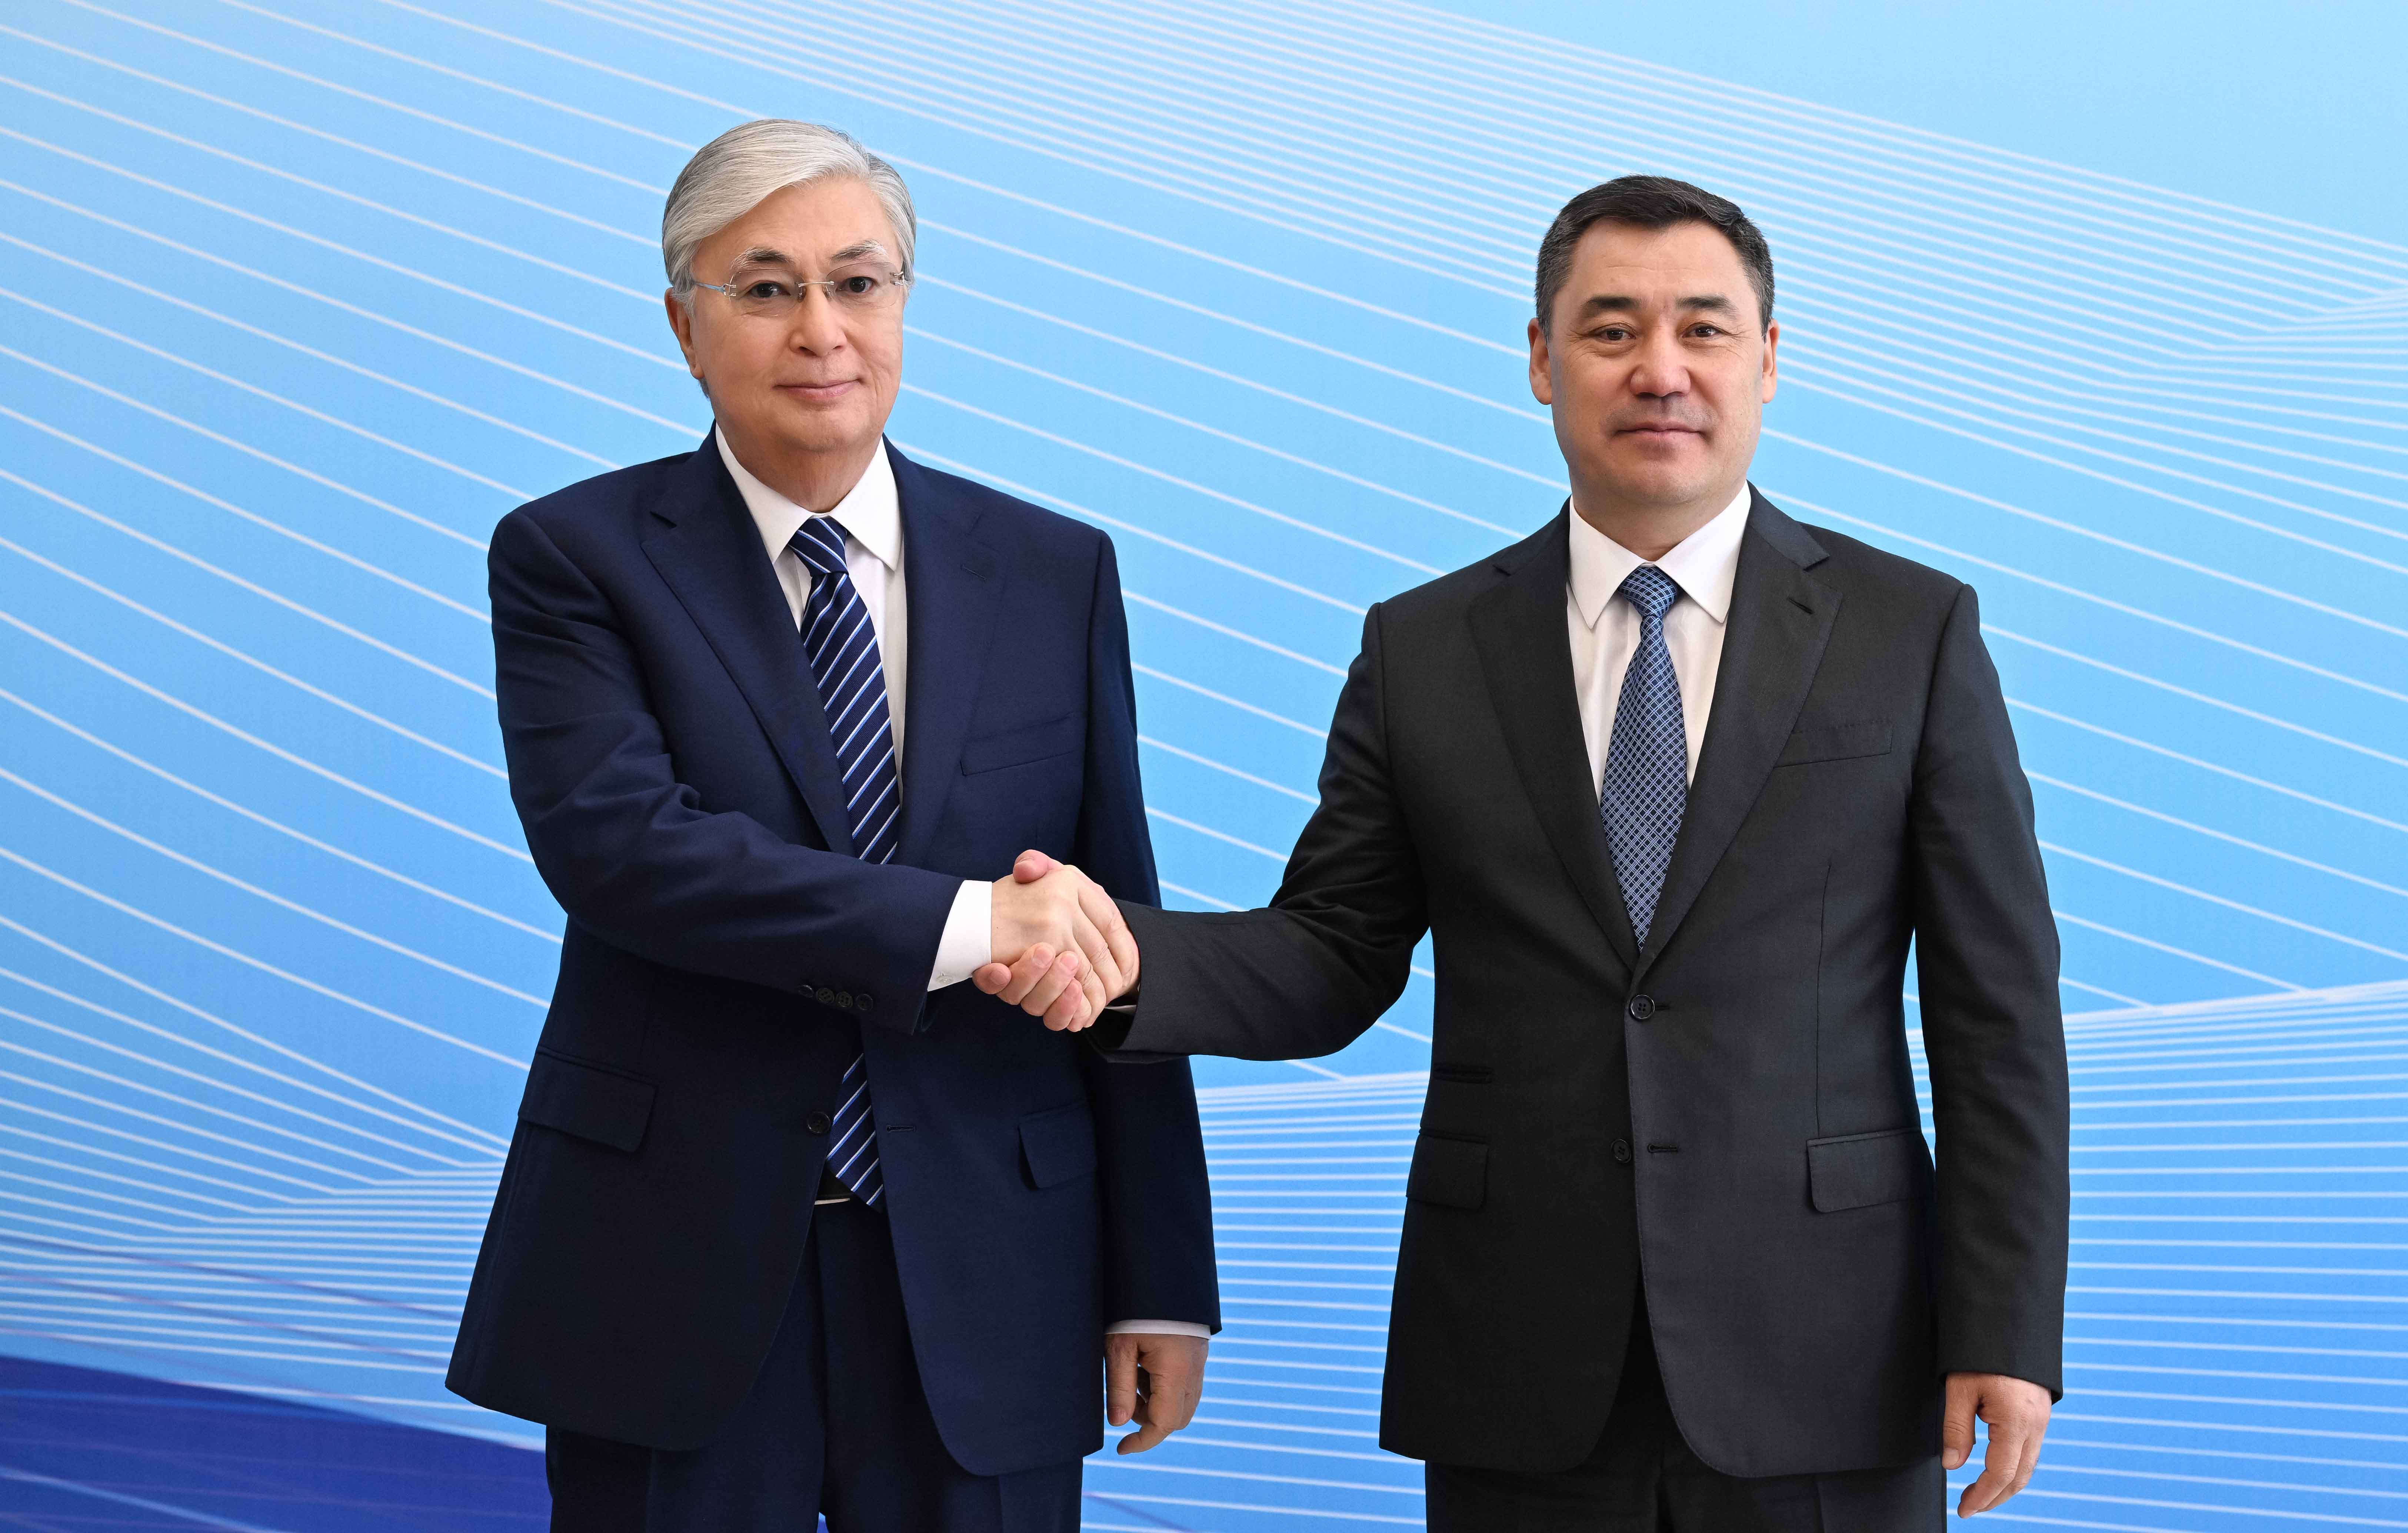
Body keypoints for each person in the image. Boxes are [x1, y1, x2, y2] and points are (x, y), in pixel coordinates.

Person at [985, 176, 2069, 1530]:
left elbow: (1996, 1015)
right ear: (1544, 362)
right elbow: (1332, 951)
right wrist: (1120, 957)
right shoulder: (1426, 647)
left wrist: (2005, 1323)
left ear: (1770, 359)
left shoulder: (1909, 632)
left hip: (1831, 1348)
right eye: (1612, 330)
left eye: (1704, 328)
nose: (1660, 369)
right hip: (1520, 1356)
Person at [446, 119, 1217, 1533]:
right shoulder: (575, 558)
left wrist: (1162, 1274)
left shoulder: (1053, 569)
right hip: (671, 1261)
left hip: (995, 1262)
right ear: (684, 326)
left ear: (904, 303)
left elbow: (1114, 920)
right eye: (765, 288)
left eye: (858, 283)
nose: (821, 329)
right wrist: (973, 920)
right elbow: (627, 853)